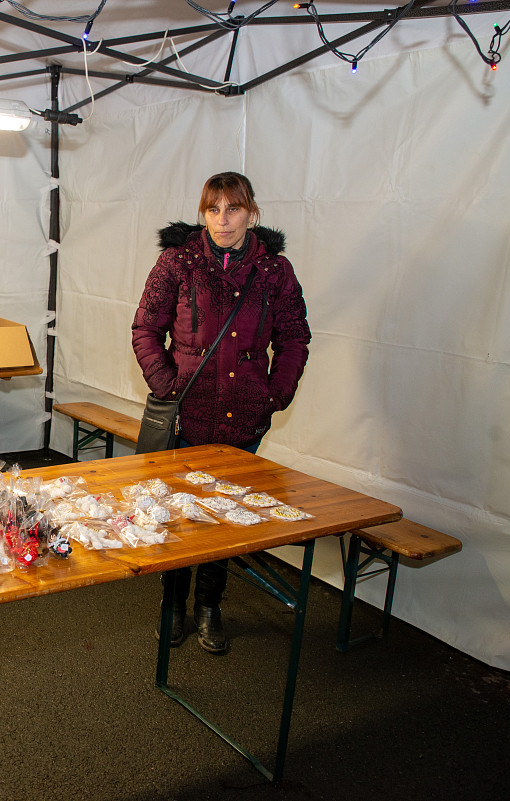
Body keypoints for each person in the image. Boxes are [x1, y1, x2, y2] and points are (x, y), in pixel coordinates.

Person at [131, 172, 311, 654]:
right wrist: (168, 384)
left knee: (223, 518)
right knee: (177, 513)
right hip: (188, 415)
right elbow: (145, 329)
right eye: (214, 209)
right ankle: (172, 605)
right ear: (203, 213)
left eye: (233, 209)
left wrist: (275, 394)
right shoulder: (178, 262)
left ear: (252, 212)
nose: (223, 219)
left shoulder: (275, 271)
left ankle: (210, 606)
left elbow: (294, 337)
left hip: (243, 417)